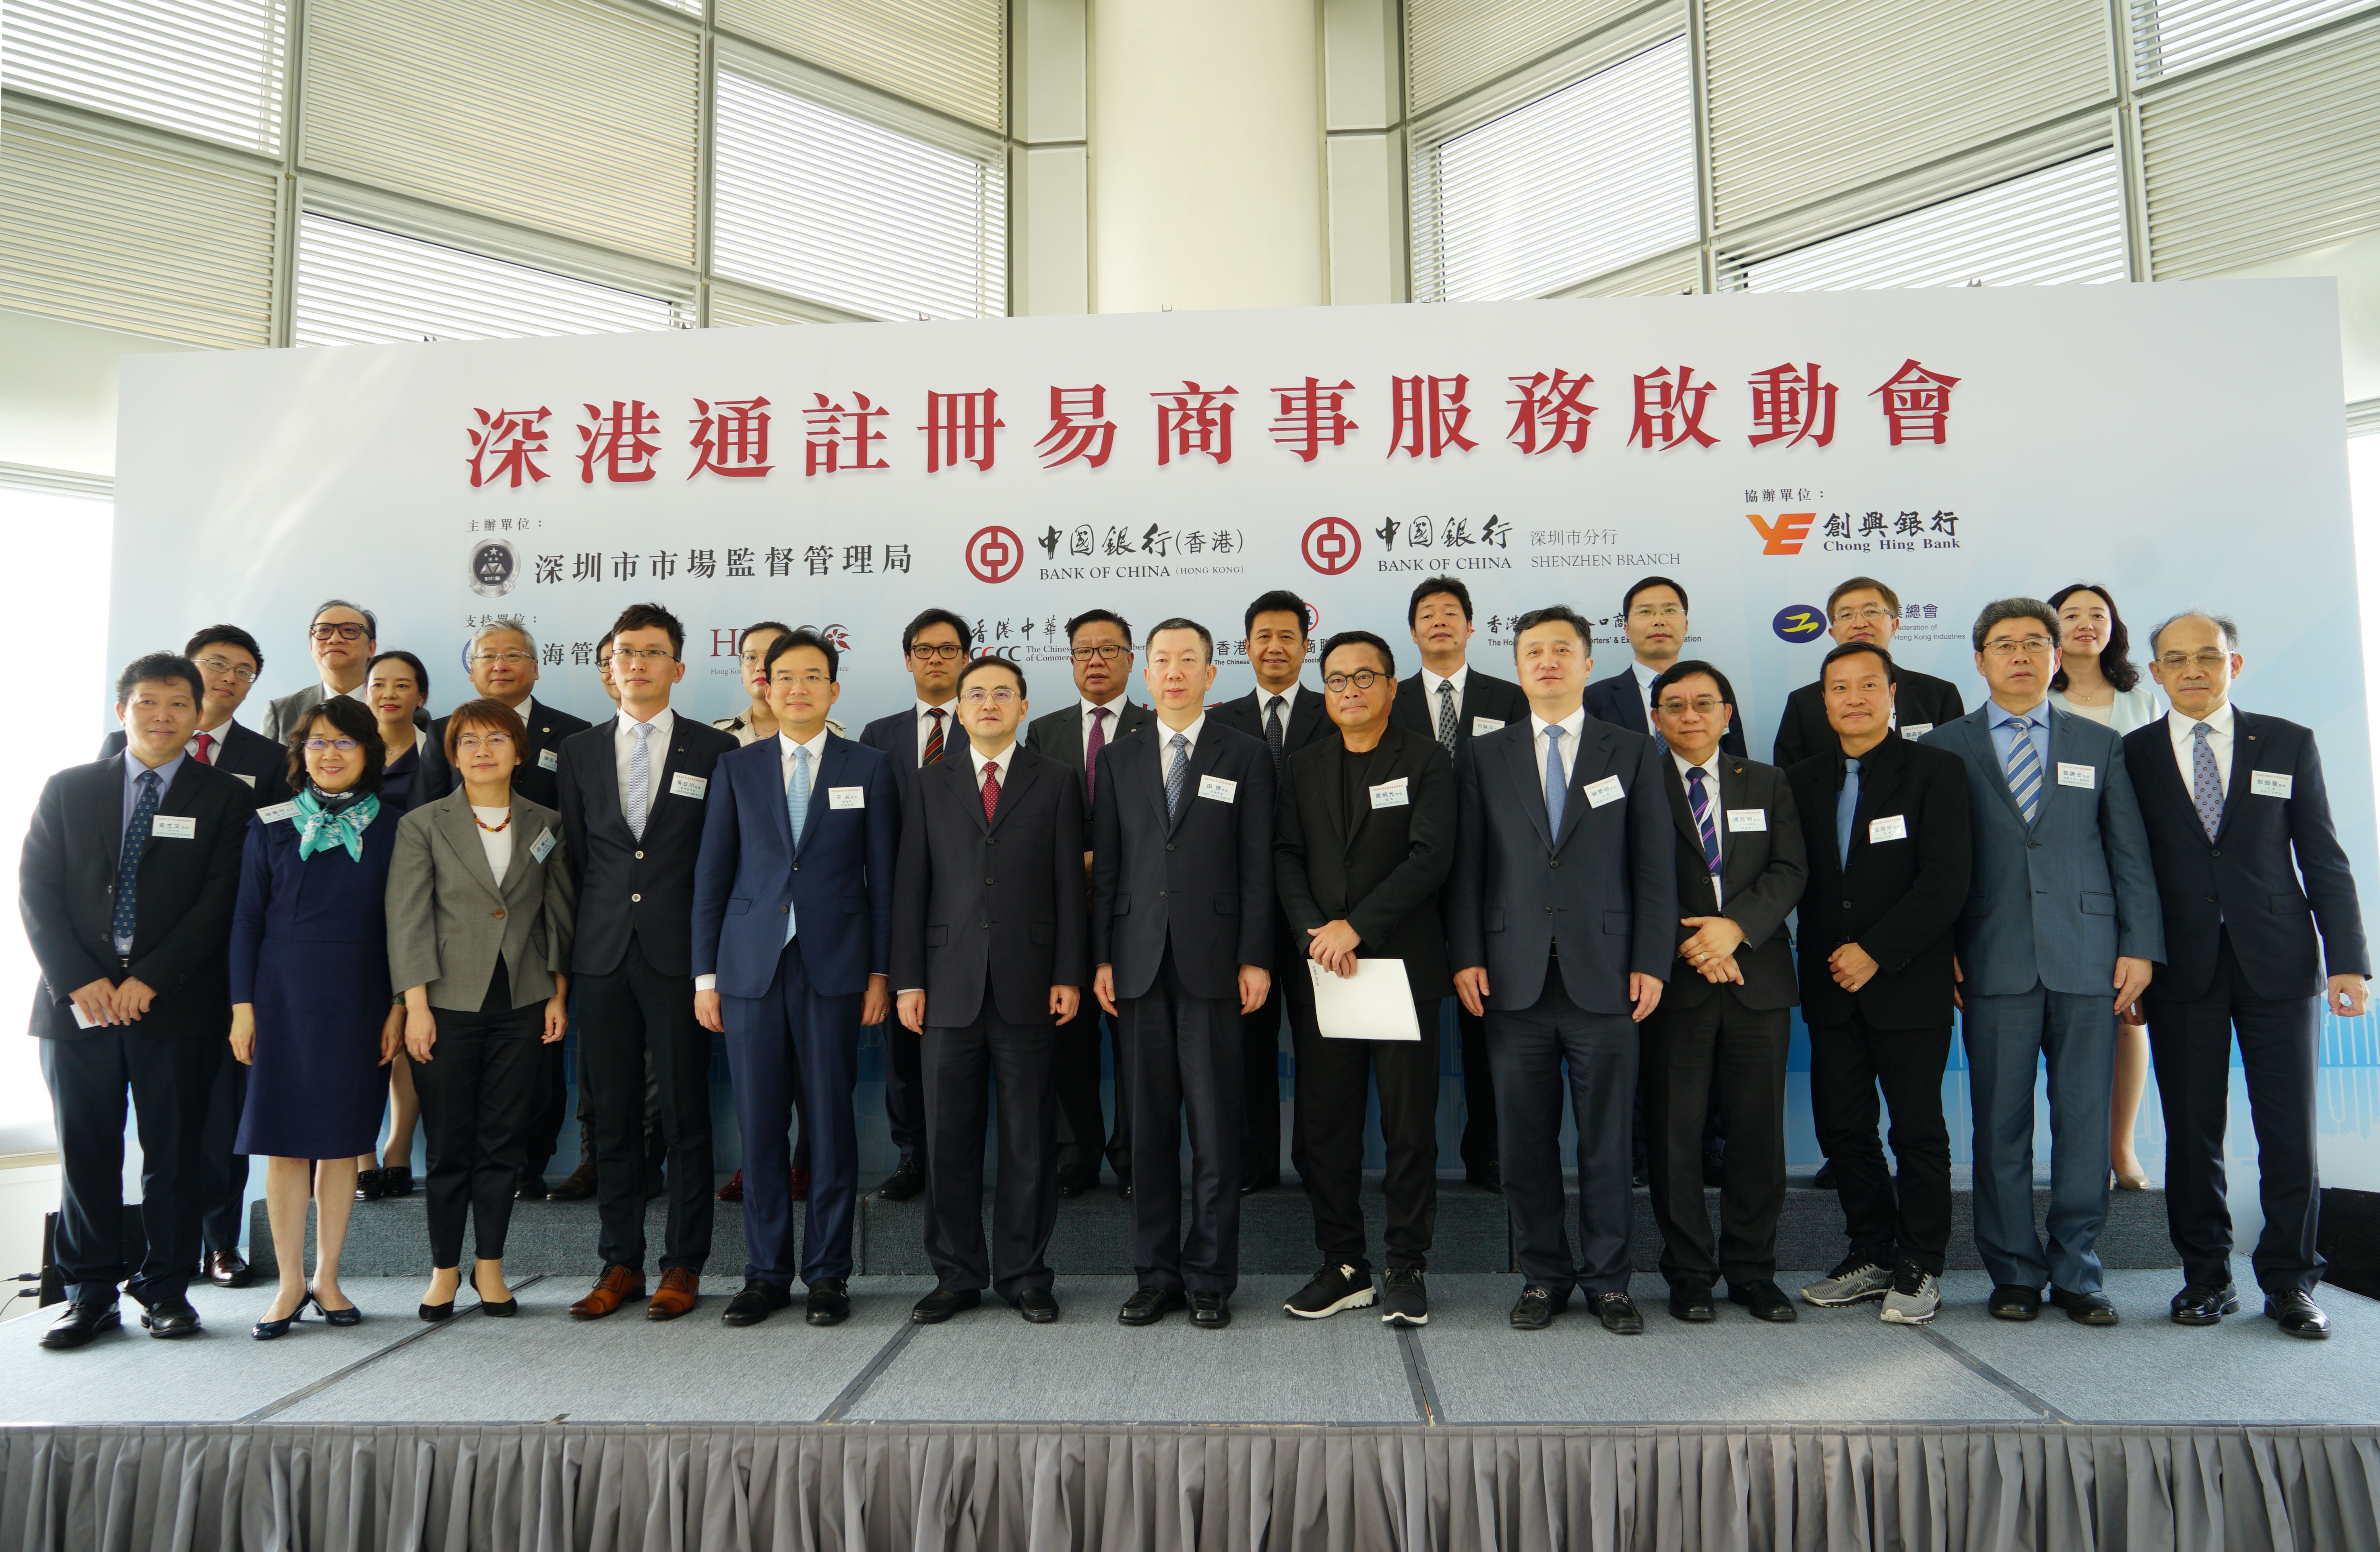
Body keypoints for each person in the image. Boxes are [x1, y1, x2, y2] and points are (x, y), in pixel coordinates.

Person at [2130, 612, 2368, 1339]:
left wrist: (2348, 959)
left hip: (2281, 962)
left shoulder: (2287, 741)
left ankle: (2291, 1281)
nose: (2193, 670)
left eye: (2208, 657)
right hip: (2180, 967)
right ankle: (2205, 1278)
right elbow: (2124, 868)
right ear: (2156, 673)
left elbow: (2322, 855)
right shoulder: (2133, 754)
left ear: (2234, 664)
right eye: (2176, 660)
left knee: (2289, 1132)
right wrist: (2132, 958)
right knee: (2191, 1131)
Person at [1924, 599, 2160, 1326]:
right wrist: (1942, 949)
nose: (2021, 655)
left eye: (2035, 643)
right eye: (2005, 644)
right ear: (1980, 660)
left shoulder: (2101, 744)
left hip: (2089, 958)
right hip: (1989, 958)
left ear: (2057, 657)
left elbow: (2129, 854)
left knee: (2084, 1124)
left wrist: (2139, 946)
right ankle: (2014, 1273)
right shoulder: (1944, 747)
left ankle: (2078, 1273)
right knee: (2000, 1126)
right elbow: (1932, 864)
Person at [1446, 608, 1670, 1334]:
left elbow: (1654, 867)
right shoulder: (1485, 754)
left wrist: (1651, 961)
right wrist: (1467, 955)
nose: (1547, 661)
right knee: (1523, 1142)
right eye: (1533, 651)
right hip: (1510, 979)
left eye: (1561, 650)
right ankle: (1542, 1276)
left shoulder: (1632, 750)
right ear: (1517, 667)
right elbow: (1468, 867)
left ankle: (1609, 1281)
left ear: (1586, 663)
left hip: (1607, 978)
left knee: (1608, 1142)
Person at [25, 654, 252, 1350]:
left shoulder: (225, 796)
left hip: (176, 1006)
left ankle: (166, 1290)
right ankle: (89, 1295)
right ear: (123, 710)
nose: (163, 716)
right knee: (86, 1152)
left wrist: (150, 977)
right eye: (148, 702)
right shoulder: (69, 788)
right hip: (78, 1007)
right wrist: (78, 979)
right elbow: (37, 890)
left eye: (178, 704)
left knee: (176, 1156)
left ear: (198, 714)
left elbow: (220, 902)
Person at [691, 627, 898, 1327]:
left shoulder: (869, 766)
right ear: (766, 688)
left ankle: (828, 1274)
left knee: (832, 1126)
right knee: (759, 1128)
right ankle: (765, 1274)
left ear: (834, 690)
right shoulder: (736, 768)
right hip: (750, 969)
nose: (798, 688)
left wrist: (879, 973)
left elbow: (883, 881)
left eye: (813, 677)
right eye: (785, 677)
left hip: (835, 969)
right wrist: (705, 978)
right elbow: (712, 878)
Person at [1089, 618, 1274, 1329]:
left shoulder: (1246, 754)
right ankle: (1155, 1275)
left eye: (1187, 660)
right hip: (1136, 964)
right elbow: (1107, 867)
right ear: (1146, 674)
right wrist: (1101, 957)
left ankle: (1210, 1278)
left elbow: (1257, 865)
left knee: (1216, 1129)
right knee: (1147, 1133)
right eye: (1162, 660)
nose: (1173, 671)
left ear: (1210, 673)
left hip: (1216, 965)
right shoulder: (1119, 757)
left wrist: (1255, 955)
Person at [557, 604, 739, 1323]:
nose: (635, 663)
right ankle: (620, 1262)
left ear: (678, 667)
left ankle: (683, 1263)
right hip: (602, 955)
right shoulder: (579, 751)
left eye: (652, 652)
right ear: (609, 666)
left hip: (680, 954)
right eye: (624, 652)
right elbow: (578, 858)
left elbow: (722, 859)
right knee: (614, 1118)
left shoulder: (715, 750)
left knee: (687, 1115)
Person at [891, 655, 1085, 1325]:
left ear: (1023, 707)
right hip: (945, 987)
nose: (989, 703)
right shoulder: (927, 783)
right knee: (948, 1140)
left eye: (1003, 693)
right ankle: (956, 1274)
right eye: (976, 693)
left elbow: (1070, 886)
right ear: (959, 707)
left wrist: (1068, 972)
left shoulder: (1056, 780)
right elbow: (910, 888)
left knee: (1030, 1139)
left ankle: (1026, 1275)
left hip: (1031, 984)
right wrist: (908, 980)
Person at [1786, 643, 1971, 1323]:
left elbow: (1946, 879)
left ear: (1892, 694)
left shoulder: (1935, 771)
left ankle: (1920, 1262)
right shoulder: (1801, 779)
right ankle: (1870, 1252)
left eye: (1868, 685)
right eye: (1839, 688)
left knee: (1916, 1130)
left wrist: (1875, 951)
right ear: (1824, 701)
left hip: (1907, 981)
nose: (1854, 698)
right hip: (1830, 984)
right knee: (1843, 1128)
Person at [95, 625, 285, 1288]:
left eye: (243, 670)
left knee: (210, 1123)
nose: (228, 677)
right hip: (109, 983)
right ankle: (114, 1276)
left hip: (210, 971)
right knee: (114, 1140)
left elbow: (253, 871)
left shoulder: (268, 760)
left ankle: (217, 1243)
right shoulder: (112, 756)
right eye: (215, 664)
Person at [1277, 630, 1456, 1327]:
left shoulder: (1427, 758)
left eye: (1363, 677)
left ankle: (1406, 1264)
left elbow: (1430, 857)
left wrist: (1358, 927)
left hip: (1400, 967)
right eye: (1337, 679)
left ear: (1390, 685)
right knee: (1326, 1126)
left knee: (1408, 1127)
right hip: (1326, 970)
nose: (1349, 690)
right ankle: (1344, 1265)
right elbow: (1285, 856)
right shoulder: (1303, 765)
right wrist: (1315, 934)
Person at [386, 698, 574, 1321]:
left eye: (496, 739)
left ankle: (490, 1267)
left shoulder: (546, 822)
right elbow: (408, 920)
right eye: (468, 741)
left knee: (502, 1143)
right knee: (448, 1146)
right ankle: (444, 1271)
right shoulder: (423, 824)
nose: (482, 751)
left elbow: (557, 914)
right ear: (453, 754)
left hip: (524, 1001)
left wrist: (558, 993)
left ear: (520, 752)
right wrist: (416, 1006)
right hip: (445, 1003)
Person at [228, 697, 402, 1338]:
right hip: (279, 998)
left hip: (360, 997)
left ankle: (328, 1278)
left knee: (343, 1141)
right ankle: (288, 1283)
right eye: (318, 743)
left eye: (345, 743)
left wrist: (397, 1006)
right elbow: (246, 920)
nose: (330, 754)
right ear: (300, 754)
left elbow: (408, 926)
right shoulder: (269, 824)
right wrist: (242, 1009)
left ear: (368, 754)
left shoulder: (396, 826)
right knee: (283, 1145)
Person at [1640, 660, 1806, 1323]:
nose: (1690, 715)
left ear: (1727, 714)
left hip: (1756, 978)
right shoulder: (1636, 782)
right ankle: (1688, 1274)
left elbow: (1790, 869)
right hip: (1674, 982)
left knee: (1757, 1137)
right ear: (1655, 718)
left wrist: (1734, 930)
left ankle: (1752, 1272)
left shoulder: (1766, 782)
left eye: (1704, 703)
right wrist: (1695, 944)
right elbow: (1628, 876)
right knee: (1674, 1136)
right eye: (1674, 705)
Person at [416, 618, 591, 1201]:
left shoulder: (572, 734)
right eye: (487, 655)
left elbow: (577, 828)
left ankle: (528, 1163)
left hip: (540, 924)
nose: (500, 664)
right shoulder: (443, 732)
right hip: (458, 937)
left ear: (536, 668)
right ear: (470, 670)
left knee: (540, 1062)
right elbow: (423, 821)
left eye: (513, 654)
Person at [1387, 575, 1529, 1195]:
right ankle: (1409, 1159)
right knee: (1407, 1035)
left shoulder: (1510, 697)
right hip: (1406, 883)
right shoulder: (1389, 699)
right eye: (1428, 614)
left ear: (1472, 627)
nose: (1439, 621)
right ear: (1413, 631)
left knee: (1486, 1023)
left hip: (1490, 880)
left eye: (1451, 612)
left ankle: (1490, 1152)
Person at [1207, 590, 1332, 1193]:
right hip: (1241, 913)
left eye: (1288, 637)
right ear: (1246, 646)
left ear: (1307, 646)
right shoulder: (1219, 722)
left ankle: (1318, 1161)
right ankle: (1252, 1162)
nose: (1275, 647)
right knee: (1247, 1044)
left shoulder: (1335, 710)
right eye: (1264, 636)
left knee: (1321, 1045)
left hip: (1318, 910)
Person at [2044, 583, 2167, 1191]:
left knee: (2128, 1014)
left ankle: (2122, 1146)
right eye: (2070, 615)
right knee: (2064, 1019)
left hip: (2132, 870)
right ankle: (2076, 1151)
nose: (2086, 624)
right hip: (2061, 879)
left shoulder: (2142, 701)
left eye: (2098, 614)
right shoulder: (2035, 701)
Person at [1027, 609, 1153, 1199]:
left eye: (1109, 649)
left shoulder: (1156, 727)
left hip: (1136, 908)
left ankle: (1134, 1158)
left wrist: (1104, 862)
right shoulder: (1043, 731)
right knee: (1068, 1038)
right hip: (1064, 913)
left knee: (1136, 1042)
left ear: (1131, 659)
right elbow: (1034, 814)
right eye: (1084, 650)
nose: (1096, 660)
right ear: (1072, 661)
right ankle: (1075, 1155)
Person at [856, 605, 975, 1201]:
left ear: (966, 658)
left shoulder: (989, 720)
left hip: (970, 907)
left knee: (967, 1041)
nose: (936, 659)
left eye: (948, 649)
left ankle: (959, 1161)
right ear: (907, 661)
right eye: (924, 650)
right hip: (899, 907)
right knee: (904, 1044)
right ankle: (912, 1158)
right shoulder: (879, 736)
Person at [1772, 578, 1965, 770]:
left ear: (1894, 625)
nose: (1859, 623)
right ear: (1833, 632)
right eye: (1846, 615)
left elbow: (1954, 769)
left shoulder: (1939, 695)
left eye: (1871, 612)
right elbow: (1789, 780)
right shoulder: (1803, 703)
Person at [1583, 577, 1748, 757]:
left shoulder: (1715, 691)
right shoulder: (1594, 699)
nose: (1659, 621)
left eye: (1670, 611)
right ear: (1627, 629)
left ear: (1686, 626)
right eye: (1645, 612)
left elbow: (1736, 763)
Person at [262, 600, 390, 743]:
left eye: (349, 630)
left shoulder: (395, 705)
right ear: (312, 648)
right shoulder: (282, 711)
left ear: (371, 648)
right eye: (324, 631)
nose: (335, 639)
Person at [366, 651, 432, 815]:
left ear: (422, 697)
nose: (389, 694)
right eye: (379, 685)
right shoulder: (350, 749)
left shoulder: (437, 752)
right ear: (367, 694)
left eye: (402, 686)